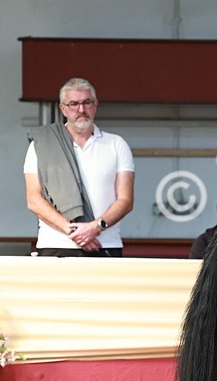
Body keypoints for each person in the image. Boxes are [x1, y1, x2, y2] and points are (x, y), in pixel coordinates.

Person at [23, 77, 134, 257]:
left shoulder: (116, 144)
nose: (81, 110)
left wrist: (96, 227)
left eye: (86, 103)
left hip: (105, 244)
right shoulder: (42, 145)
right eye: (74, 104)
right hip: (56, 244)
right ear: (63, 109)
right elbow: (34, 199)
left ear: (95, 104)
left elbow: (125, 200)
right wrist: (73, 231)